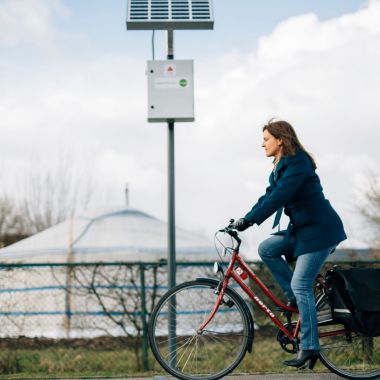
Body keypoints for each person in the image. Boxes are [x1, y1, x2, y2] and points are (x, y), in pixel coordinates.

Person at [234, 119, 347, 369]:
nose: (262, 144)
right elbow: (268, 195)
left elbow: (280, 196)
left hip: (321, 232)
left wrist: (252, 220)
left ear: (281, 139)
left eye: (266, 139)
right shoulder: (280, 165)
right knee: (267, 249)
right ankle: (293, 298)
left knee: (302, 283)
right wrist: (245, 218)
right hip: (303, 230)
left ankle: (309, 347)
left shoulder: (298, 163)